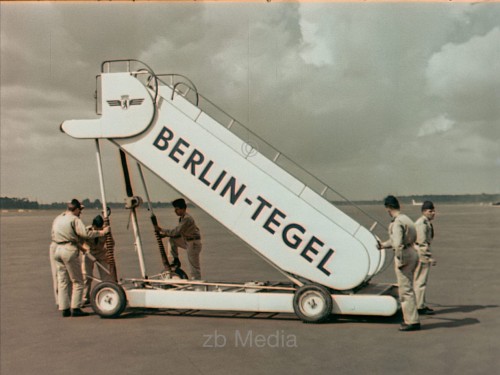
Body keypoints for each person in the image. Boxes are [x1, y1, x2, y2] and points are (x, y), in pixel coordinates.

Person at [51, 199, 109, 317]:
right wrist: (103, 232)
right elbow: (85, 234)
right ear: (76, 209)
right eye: (80, 210)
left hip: (56, 249)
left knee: (62, 281)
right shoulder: (74, 219)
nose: (80, 213)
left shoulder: (58, 218)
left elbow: (54, 234)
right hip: (68, 249)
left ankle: (64, 308)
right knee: (78, 281)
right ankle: (76, 308)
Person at [377, 195, 420, 332]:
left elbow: (397, 243)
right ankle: (412, 318)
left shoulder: (396, 223)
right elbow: (401, 239)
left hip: (404, 256)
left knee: (405, 290)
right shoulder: (406, 219)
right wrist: (383, 245)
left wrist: (400, 261)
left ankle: (411, 321)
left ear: (388, 208)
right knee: (409, 288)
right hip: (413, 252)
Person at [154, 198, 202, 280]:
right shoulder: (182, 218)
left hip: (193, 243)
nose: (175, 211)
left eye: (177, 209)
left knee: (193, 266)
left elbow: (176, 231)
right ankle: (175, 260)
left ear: (183, 209)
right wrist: (166, 235)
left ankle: (196, 282)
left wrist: (161, 230)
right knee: (172, 240)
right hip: (187, 241)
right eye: (175, 209)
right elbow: (178, 234)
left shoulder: (187, 219)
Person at [81, 215, 114, 306]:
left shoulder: (106, 230)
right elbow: (81, 241)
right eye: (97, 228)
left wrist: (109, 252)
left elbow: (111, 243)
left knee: (106, 275)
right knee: (87, 276)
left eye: (100, 228)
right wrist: (85, 250)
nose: (98, 229)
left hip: (101, 253)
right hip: (89, 252)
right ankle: (85, 297)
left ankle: (108, 294)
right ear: (93, 225)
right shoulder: (87, 230)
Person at [414, 201, 437, 315]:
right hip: (421, 254)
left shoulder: (425, 222)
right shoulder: (421, 223)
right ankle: (419, 307)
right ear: (424, 212)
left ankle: (420, 304)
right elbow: (421, 243)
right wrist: (428, 258)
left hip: (421, 252)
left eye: (433, 211)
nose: (433, 213)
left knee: (421, 281)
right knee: (420, 281)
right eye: (430, 211)